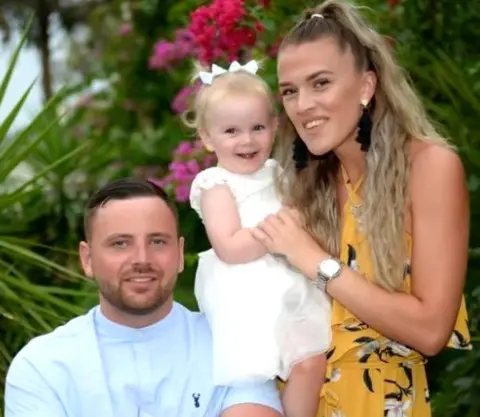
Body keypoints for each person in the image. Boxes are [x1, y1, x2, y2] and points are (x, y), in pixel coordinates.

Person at [251, 1, 472, 416]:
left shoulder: (429, 168)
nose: (302, 105)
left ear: (367, 86)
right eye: (290, 91)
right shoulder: (297, 186)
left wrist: (316, 262)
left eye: (320, 83)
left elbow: (430, 330)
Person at [4, 178, 284, 417]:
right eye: (120, 244)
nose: (141, 259)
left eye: (157, 242)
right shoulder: (42, 366)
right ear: (87, 259)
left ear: (179, 253)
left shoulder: (233, 346)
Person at [186, 60, 331, 417]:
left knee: (311, 363)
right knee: (269, 372)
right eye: (231, 131)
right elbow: (230, 246)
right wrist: (283, 227)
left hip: (288, 283)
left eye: (258, 128)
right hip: (248, 295)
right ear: (207, 137)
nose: (247, 140)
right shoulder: (215, 184)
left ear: (275, 127)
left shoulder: (275, 172)